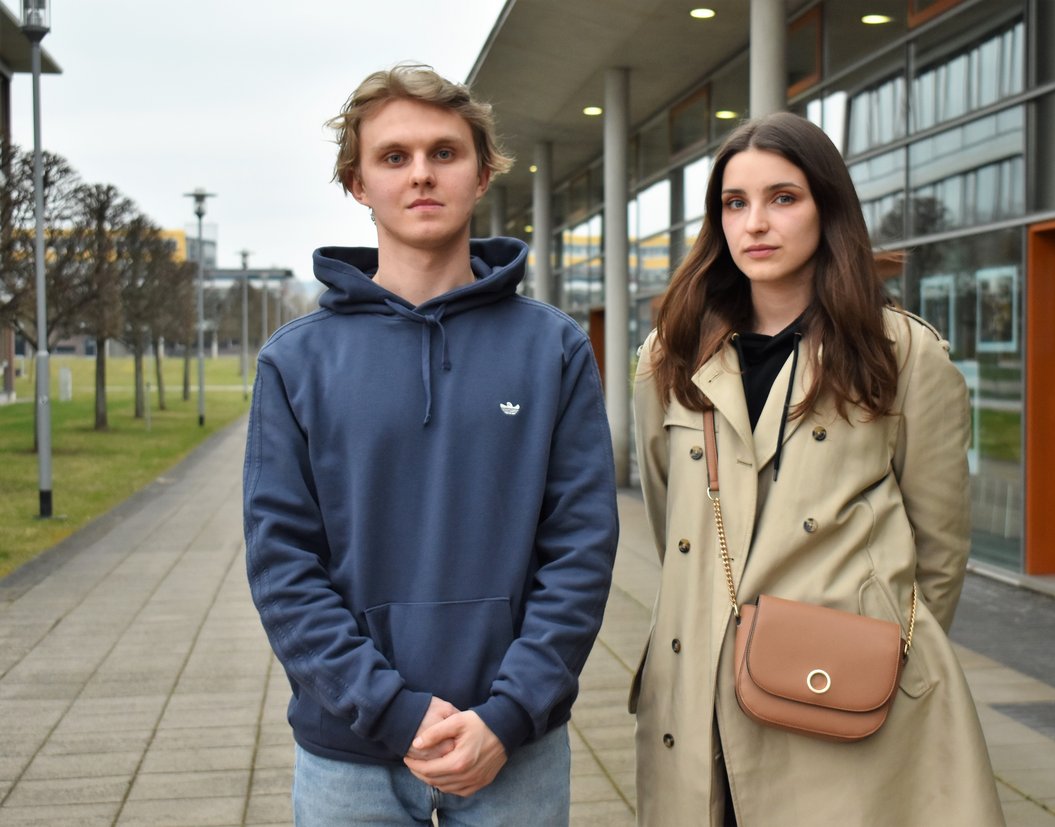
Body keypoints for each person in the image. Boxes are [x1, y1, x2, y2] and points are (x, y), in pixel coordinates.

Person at [243, 63, 618, 826]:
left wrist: (508, 713)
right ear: (358, 182)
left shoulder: (555, 350)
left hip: (514, 751)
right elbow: (284, 565)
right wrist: (392, 710)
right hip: (348, 758)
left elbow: (580, 548)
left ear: (482, 174)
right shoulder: (295, 361)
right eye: (394, 156)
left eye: (444, 152)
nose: (421, 174)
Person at [629, 112, 1005, 826]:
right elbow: (669, 518)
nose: (755, 223)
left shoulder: (904, 354)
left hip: (840, 694)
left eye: (783, 197)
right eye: (734, 203)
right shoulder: (668, 355)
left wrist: (874, 655)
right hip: (699, 686)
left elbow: (940, 553)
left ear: (827, 208)